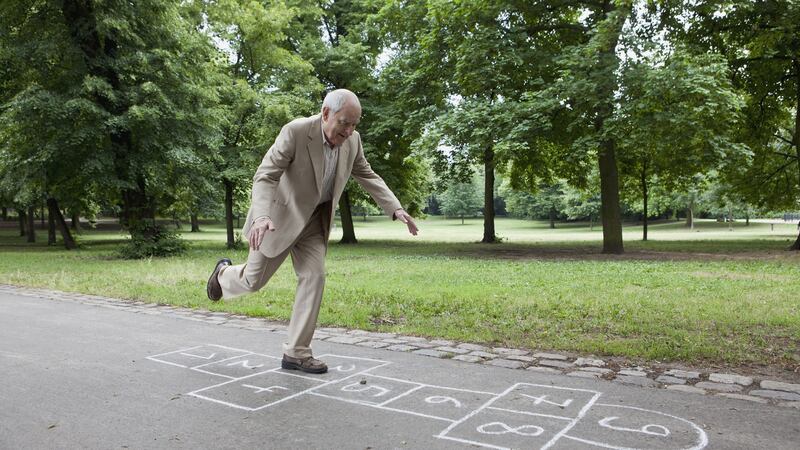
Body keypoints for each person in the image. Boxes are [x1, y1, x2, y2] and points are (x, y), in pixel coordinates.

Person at [206, 89, 418, 374]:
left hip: (315, 223)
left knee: (314, 277)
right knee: (253, 281)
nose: (349, 130)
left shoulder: (352, 141)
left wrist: (395, 208)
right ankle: (222, 275)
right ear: (326, 113)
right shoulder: (295, 132)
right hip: (278, 219)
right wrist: (261, 217)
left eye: (355, 124)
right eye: (344, 122)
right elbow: (265, 175)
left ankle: (296, 353)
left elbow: (366, 173)